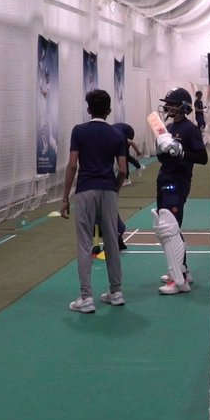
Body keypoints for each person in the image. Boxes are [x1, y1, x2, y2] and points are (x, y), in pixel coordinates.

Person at [62, 89, 127, 314]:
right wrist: (115, 189)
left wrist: (64, 199)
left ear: (88, 109)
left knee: (84, 243)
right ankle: (116, 292)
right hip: (108, 190)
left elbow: (72, 166)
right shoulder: (117, 135)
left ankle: (86, 298)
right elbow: (123, 170)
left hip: (85, 190)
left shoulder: (79, 131)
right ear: (109, 110)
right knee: (111, 240)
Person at [153, 87, 209, 294]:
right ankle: (182, 269)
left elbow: (202, 158)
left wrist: (182, 151)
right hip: (165, 178)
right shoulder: (167, 127)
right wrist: (162, 149)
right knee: (168, 228)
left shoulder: (190, 129)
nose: (167, 107)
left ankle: (180, 280)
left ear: (184, 107)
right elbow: (162, 159)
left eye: (172, 104)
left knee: (171, 229)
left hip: (178, 182)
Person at [113, 122, 143, 186]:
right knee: (121, 154)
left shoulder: (118, 136)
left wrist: (138, 152)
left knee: (124, 155)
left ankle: (126, 179)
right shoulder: (109, 136)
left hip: (129, 131)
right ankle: (139, 166)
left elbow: (131, 143)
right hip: (122, 129)